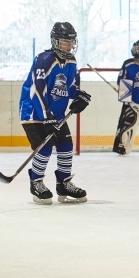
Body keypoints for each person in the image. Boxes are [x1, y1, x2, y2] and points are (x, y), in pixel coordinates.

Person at [19, 22, 91, 205]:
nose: (67, 45)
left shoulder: (72, 62)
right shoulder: (44, 59)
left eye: (70, 42)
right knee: (44, 147)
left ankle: (63, 183)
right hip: (34, 112)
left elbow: (70, 87)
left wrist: (80, 96)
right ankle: (36, 182)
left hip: (55, 113)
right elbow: (37, 89)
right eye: (63, 41)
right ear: (54, 41)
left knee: (66, 145)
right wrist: (45, 115)